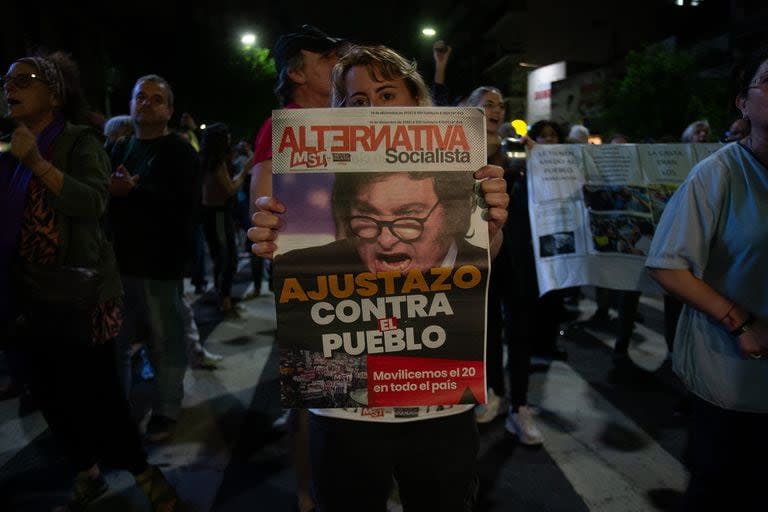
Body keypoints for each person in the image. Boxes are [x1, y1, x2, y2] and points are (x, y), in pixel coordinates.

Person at [249, 43, 508, 512]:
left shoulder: (461, 164)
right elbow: (288, 258)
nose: (372, 110)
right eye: (356, 101)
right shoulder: (319, 194)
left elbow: (481, 254)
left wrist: (492, 224)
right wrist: (270, 235)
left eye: (386, 94)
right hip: (343, 408)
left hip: (441, 403)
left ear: (416, 102)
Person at [0, 51, 178, 512]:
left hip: (80, 297)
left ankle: (144, 475)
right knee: (49, 395)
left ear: (54, 93)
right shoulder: (9, 143)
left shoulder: (79, 142)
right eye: (7, 80)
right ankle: (87, 473)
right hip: (26, 295)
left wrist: (37, 163)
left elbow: (93, 202)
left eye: (24, 80)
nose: (10, 87)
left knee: (99, 396)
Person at [645, 47, 768, 511]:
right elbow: (666, 264)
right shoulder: (716, 174)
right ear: (743, 102)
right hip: (733, 380)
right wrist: (740, 322)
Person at [248, 24, 349, 512]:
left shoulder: (353, 118)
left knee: (357, 383)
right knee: (316, 391)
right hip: (312, 279)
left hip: (361, 274)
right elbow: (260, 207)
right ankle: (309, 494)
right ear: (295, 71)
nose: (339, 60)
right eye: (327, 55)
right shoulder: (283, 126)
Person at [108, 74, 202, 442]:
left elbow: (184, 207)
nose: (146, 103)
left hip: (159, 266)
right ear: (130, 104)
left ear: (169, 110)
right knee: (116, 344)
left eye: (156, 99)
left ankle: (166, 409)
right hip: (117, 265)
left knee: (165, 341)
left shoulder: (179, 151)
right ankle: (118, 412)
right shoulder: (117, 148)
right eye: (139, 97)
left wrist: (132, 191)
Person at [200, 122, 249, 316]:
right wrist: (244, 173)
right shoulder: (216, 161)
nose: (230, 139)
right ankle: (224, 299)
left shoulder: (207, 159)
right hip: (218, 213)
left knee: (222, 258)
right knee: (227, 259)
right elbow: (229, 189)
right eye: (226, 136)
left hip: (214, 213)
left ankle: (222, 296)